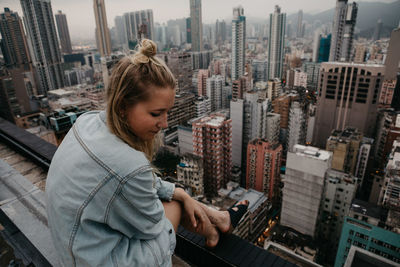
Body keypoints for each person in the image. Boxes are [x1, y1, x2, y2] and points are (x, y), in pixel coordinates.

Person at [46, 39, 248, 267]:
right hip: (97, 259)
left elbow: (126, 181)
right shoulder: (129, 164)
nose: (164, 123)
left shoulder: (87, 122)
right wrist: (178, 199)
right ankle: (216, 227)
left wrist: (180, 193)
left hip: (76, 246)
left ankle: (218, 223)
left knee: (175, 196)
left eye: (167, 112)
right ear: (122, 106)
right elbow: (153, 226)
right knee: (172, 205)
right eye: (156, 114)